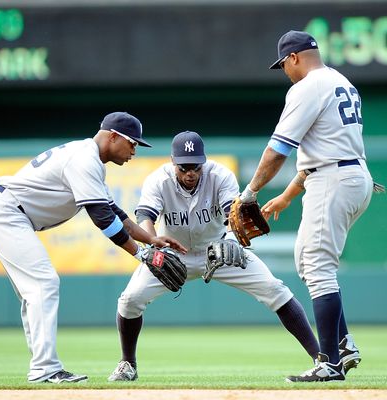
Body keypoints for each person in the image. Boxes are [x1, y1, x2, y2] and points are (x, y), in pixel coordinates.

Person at [0, 111, 186, 384]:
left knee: (36, 289)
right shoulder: (84, 159)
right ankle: (45, 369)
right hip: (7, 213)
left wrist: (150, 240)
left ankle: (42, 367)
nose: (134, 151)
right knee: (43, 283)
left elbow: (116, 213)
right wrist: (141, 254)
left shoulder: (90, 159)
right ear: (114, 136)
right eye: (133, 143)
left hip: (8, 213)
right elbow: (102, 219)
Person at [107, 130, 320, 382]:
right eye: (184, 167)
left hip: (219, 250)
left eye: (196, 166)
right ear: (173, 162)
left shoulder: (219, 175)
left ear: (203, 161)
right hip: (173, 254)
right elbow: (146, 218)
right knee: (130, 300)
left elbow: (233, 213)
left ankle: (321, 359)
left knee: (275, 289)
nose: (190, 173)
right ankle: (127, 364)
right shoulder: (158, 180)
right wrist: (153, 249)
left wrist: (230, 239)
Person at [238, 31, 375, 382]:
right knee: (307, 259)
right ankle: (342, 344)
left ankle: (329, 361)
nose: (284, 71)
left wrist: (249, 192)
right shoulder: (340, 81)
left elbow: (277, 150)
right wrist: (286, 195)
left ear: (294, 57)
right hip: (348, 175)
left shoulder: (307, 87)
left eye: (283, 64)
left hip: (335, 179)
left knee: (316, 265)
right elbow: (322, 152)